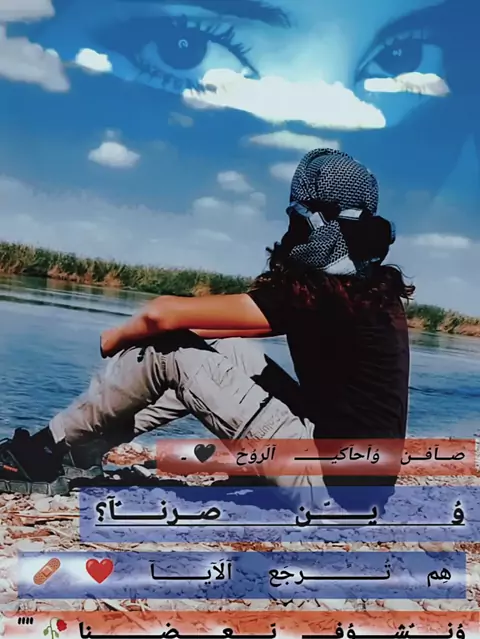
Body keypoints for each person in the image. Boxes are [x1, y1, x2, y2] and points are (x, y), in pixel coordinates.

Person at [0, 148, 413, 514]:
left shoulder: (319, 293)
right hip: (360, 486)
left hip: (327, 490)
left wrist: (116, 338)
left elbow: (160, 315)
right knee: (225, 350)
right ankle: (82, 446)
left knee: (169, 352)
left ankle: (44, 449)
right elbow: (213, 325)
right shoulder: (364, 291)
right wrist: (168, 331)